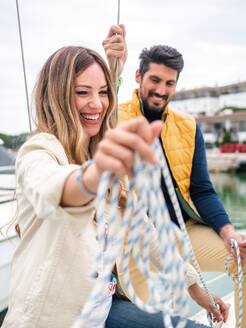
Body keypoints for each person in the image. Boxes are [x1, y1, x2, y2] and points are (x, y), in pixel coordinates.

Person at [2, 32, 227, 328]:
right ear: (56, 95)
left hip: (104, 311)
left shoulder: (99, 157)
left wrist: (197, 289)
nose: (97, 104)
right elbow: (56, 189)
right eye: (82, 92)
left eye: (103, 92)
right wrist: (96, 173)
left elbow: (148, 236)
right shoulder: (40, 151)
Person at [103, 24, 246, 328]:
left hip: (185, 233)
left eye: (170, 83)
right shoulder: (114, 116)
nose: (161, 89)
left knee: (245, 260)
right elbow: (100, 104)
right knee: (145, 316)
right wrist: (112, 67)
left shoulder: (188, 125)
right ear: (139, 76)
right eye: (155, 79)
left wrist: (228, 232)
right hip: (139, 241)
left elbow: (203, 190)